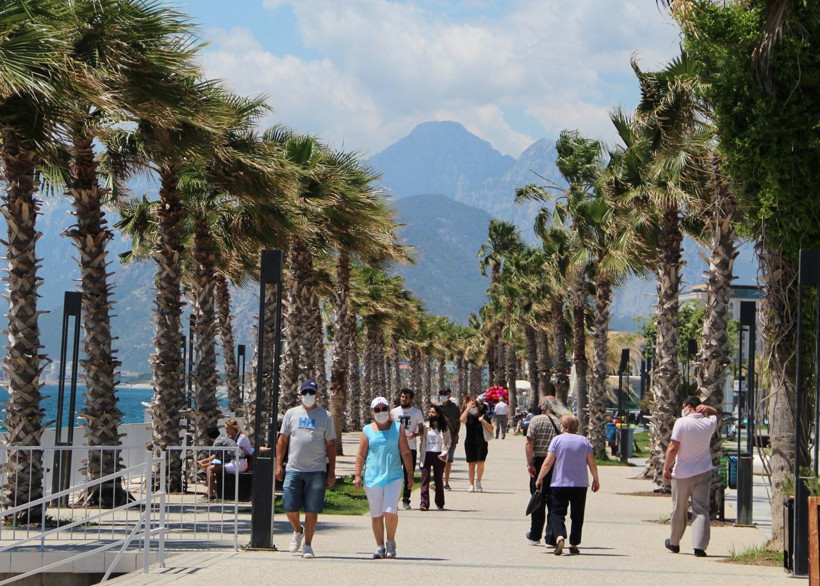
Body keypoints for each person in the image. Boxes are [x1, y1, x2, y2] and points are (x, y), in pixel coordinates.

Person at [276, 379, 337, 560]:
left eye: (312, 393)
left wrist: (331, 471)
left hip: (316, 470)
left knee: (312, 510)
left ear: (317, 395)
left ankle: (308, 545)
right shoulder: (291, 414)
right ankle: (298, 530)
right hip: (294, 469)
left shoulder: (325, 416)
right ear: (300, 395)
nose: (308, 396)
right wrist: (278, 464)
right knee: (289, 506)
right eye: (305, 393)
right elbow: (282, 440)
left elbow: (331, 445)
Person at [354, 396, 414, 559]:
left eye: (384, 409)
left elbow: (406, 452)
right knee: (376, 514)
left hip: (393, 476)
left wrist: (410, 474)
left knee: (389, 511)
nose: (381, 412)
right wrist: (357, 474)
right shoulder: (367, 430)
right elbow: (361, 454)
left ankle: (391, 542)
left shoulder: (397, 428)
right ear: (372, 412)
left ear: (388, 410)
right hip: (373, 477)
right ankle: (379, 546)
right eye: (377, 410)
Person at [535, 414, 600, 556]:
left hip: (559, 483)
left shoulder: (557, 440)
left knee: (557, 513)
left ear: (563, 426)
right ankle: (574, 543)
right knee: (577, 515)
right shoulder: (584, 441)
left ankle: (559, 537)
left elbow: (548, 462)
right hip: (580, 484)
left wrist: (540, 478)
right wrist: (596, 479)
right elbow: (592, 463)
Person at [662, 396, 719, 558]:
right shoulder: (709, 422)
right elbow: (716, 414)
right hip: (703, 471)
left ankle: (674, 542)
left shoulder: (682, 422)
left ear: (689, 407)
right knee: (701, 510)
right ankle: (699, 546)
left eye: (683, 406)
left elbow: (673, 447)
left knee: (679, 508)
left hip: (682, 473)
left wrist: (666, 467)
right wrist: (708, 408)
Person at [525, 396, 563, 546]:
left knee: (538, 497)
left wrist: (529, 463)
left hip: (539, 461)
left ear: (544, 406)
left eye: (541, 404)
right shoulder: (561, 423)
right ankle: (551, 537)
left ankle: (535, 534)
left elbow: (529, 442)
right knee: (553, 500)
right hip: (555, 463)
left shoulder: (536, 420)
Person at [390, 388, 424, 510]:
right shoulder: (393, 412)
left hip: (411, 448)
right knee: (394, 474)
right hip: (395, 448)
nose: (404, 399)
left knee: (408, 474)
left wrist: (415, 435)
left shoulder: (416, 412)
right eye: (402, 397)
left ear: (411, 399)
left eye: (406, 397)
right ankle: (394, 499)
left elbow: (421, 429)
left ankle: (406, 499)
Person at [418, 404, 451, 510]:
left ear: (438, 414)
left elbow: (448, 441)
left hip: (438, 455)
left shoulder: (444, 427)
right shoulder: (425, 425)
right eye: (430, 412)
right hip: (426, 455)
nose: (431, 414)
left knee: (438, 480)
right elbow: (419, 434)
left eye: (433, 412)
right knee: (425, 479)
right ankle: (424, 504)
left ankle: (440, 503)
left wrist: (445, 453)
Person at [459, 398, 492, 492]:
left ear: (478, 407)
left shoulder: (484, 416)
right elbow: (461, 419)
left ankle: (479, 482)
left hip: (482, 442)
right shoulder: (468, 416)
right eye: (471, 406)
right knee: (471, 464)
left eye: (474, 406)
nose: (473, 408)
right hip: (470, 441)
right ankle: (471, 484)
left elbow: (491, 429)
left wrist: (483, 421)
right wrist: (468, 408)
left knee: (481, 462)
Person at [438, 388, 461, 490]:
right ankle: (438, 480)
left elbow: (458, 422)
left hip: (451, 437)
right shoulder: (438, 408)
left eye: (445, 394)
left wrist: (456, 434)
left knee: (448, 460)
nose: (443, 397)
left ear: (449, 395)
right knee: (439, 459)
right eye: (441, 395)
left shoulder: (454, 408)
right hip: (440, 438)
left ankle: (446, 482)